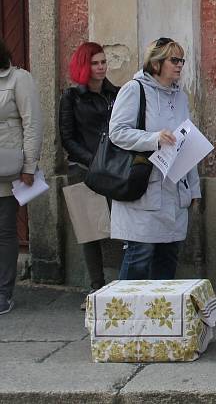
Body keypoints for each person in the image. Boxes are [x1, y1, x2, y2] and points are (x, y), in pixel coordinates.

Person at [109, 37, 201, 280]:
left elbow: (186, 141)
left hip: (174, 187)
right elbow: (117, 132)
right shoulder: (134, 89)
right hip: (144, 187)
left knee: (167, 257)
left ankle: (161, 316)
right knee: (139, 255)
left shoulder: (180, 96)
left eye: (182, 60)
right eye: (174, 60)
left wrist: (194, 189)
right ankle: (124, 315)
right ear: (157, 63)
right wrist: (154, 138)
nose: (180, 65)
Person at [59, 42, 120, 305]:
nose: (101, 67)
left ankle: (123, 285)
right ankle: (96, 287)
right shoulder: (71, 97)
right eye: (95, 63)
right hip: (83, 170)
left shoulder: (115, 94)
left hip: (115, 169)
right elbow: (67, 138)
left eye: (103, 62)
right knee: (90, 232)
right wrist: (92, 160)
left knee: (120, 227)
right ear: (84, 66)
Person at [0, 38, 42, 315]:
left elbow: (32, 122)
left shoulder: (18, 78)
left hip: (6, 166)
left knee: (4, 231)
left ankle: (3, 292)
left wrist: (29, 165)